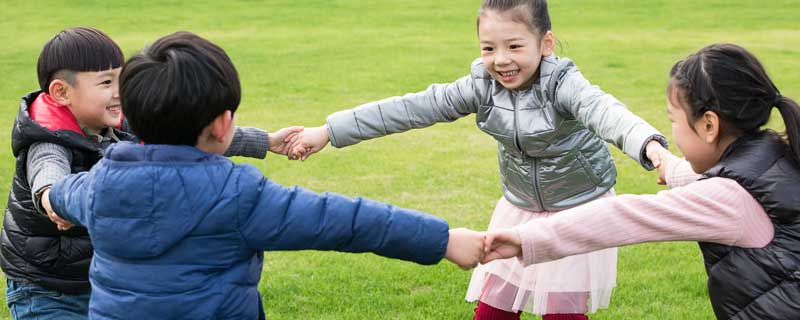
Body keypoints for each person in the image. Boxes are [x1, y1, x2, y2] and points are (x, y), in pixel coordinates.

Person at [45, 31, 485, 320]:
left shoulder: (100, 183)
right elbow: (346, 221)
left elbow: (61, 194)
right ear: (222, 125)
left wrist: (53, 203)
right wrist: (442, 240)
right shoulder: (237, 194)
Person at [284, 0, 671, 319]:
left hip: (578, 206)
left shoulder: (564, 85)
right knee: (493, 310)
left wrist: (653, 148)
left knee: (562, 313)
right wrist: (328, 132)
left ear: (546, 43)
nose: (501, 60)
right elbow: (409, 108)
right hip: (520, 207)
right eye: (489, 48)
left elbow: (607, 112)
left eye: (514, 46)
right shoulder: (481, 86)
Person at [482, 43, 800, 320]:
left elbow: (623, 217)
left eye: (674, 120)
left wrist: (522, 239)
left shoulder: (727, 199)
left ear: (709, 125)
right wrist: (668, 164)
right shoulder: (775, 155)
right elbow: (709, 180)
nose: (672, 129)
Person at [1, 27, 299, 320]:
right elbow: (47, 173)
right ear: (61, 92)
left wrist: (268, 141)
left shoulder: (120, 123)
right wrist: (51, 197)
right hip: (45, 290)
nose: (119, 92)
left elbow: (192, 134)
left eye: (122, 78)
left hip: (100, 280)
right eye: (106, 83)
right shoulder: (46, 138)